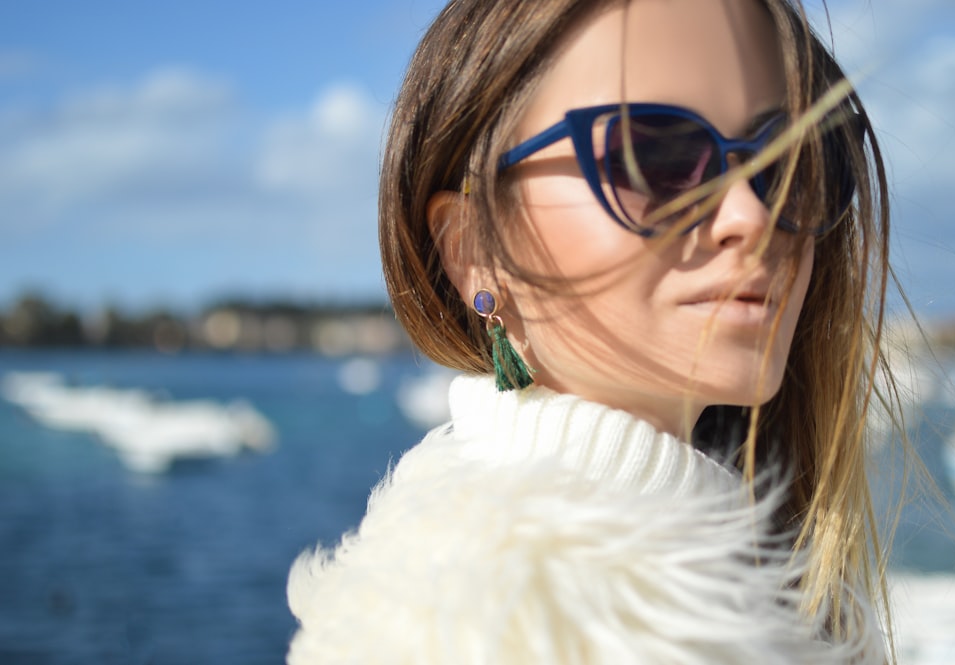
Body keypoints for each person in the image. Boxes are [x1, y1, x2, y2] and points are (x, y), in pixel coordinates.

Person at [287, 0, 909, 662]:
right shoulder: (472, 630)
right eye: (655, 157)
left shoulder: (758, 593)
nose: (752, 216)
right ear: (471, 248)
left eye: (791, 163)